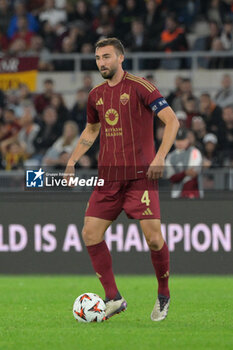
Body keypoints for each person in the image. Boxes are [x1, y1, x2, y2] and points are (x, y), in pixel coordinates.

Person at [64, 38, 179, 321]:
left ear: (120, 58)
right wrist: (71, 160)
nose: (101, 63)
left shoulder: (141, 87)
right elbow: (91, 130)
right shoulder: (95, 95)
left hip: (141, 177)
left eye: (106, 57)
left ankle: (163, 294)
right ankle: (113, 298)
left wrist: (161, 156)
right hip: (108, 179)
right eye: (98, 58)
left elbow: (172, 121)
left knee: (153, 240)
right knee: (90, 233)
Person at [165, 129, 203, 199]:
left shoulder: (194, 152)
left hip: (193, 193)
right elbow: (172, 177)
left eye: (182, 140)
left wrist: (180, 175)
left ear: (187, 140)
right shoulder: (170, 156)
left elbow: (193, 173)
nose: (180, 143)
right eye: (178, 140)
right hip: (176, 194)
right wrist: (185, 173)